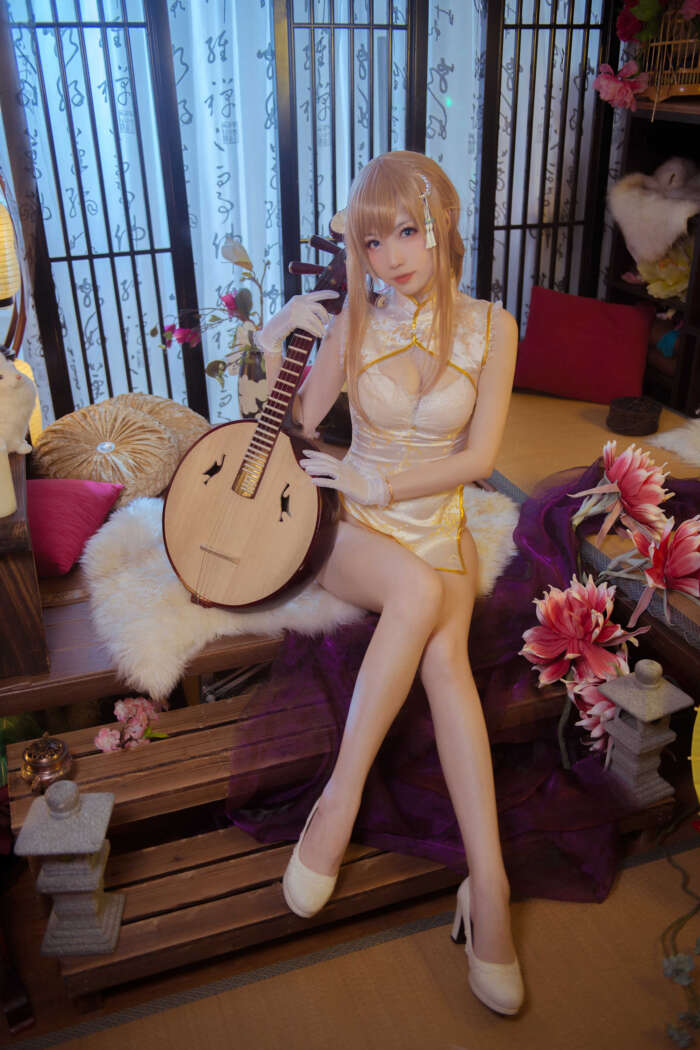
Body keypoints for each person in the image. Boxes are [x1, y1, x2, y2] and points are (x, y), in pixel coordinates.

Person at [254, 151, 522, 1015]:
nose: (391, 256)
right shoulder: (353, 322)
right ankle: (339, 799)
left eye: (407, 231)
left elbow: (479, 459)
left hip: (435, 520)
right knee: (414, 594)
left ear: (442, 223)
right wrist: (277, 338)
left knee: (447, 664)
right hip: (353, 529)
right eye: (373, 242)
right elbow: (289, 427)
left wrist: (387, 484)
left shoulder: (493, 325)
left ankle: (489, 886)